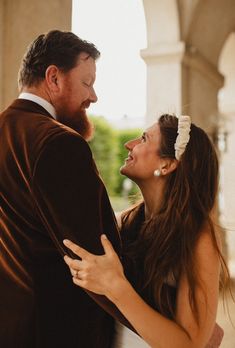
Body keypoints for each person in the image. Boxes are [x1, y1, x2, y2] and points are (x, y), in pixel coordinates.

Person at [0, 30, 122, 348]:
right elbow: (92, 257)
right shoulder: (59, 142)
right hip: (57, 332)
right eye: (87, 82)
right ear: (53, 77)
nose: (93, 96)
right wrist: (168, 328)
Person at [64, 114, 228, 348]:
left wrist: (115, 285)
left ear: (167, 164)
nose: (128, 144)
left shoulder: (197, 237)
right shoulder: (125, 223)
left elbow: (189, 345)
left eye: (144, 139)